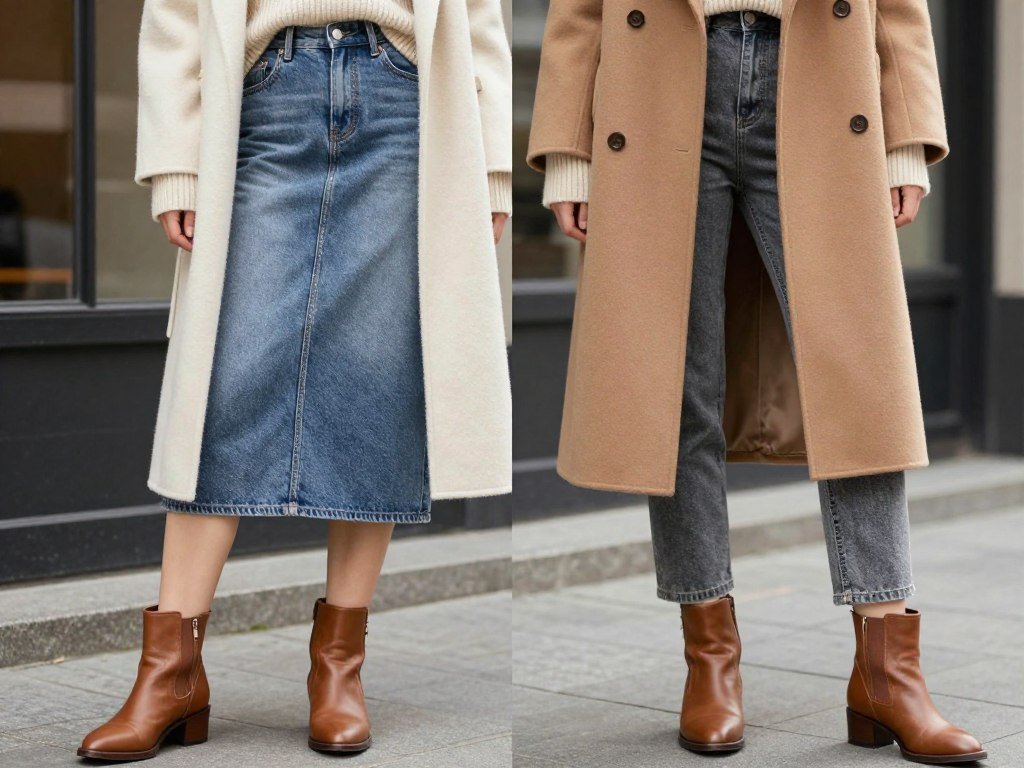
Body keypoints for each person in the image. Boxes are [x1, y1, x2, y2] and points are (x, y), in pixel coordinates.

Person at [527, 0, 986, 763]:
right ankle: (711, 661)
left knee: (861, 389)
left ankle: (889, 672)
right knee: (674, 384)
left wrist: (906, 140)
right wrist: (570, 151)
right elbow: (578, 11)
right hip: (660, 81)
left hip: (820, 74)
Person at [77, 0, 512, 760]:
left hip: (406, 94)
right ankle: (171, 672)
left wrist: (493, 169)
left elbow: (481, 14)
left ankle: (337, 668)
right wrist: (176, 158)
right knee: (224, 385)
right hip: (265, 91)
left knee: (379, 381)